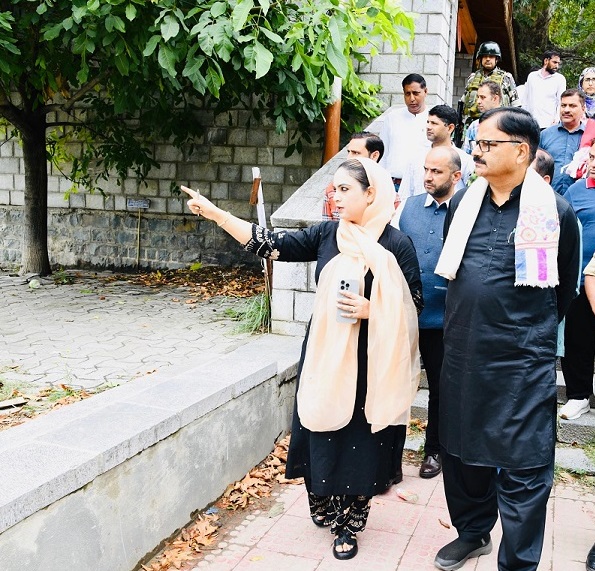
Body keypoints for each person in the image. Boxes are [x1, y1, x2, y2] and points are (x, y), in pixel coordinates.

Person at [181, 157, 423, 561]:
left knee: (361, 441)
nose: (336, 197)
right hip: (325, 354)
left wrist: (373, 309)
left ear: (371, 194)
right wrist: (216, 213)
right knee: (320, 427)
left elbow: (414, 305)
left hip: (370, 360)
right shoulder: (329, 234)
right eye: (334, 189)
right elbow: (268, 243)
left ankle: (349, 523)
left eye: (345, 189)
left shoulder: (396, 245)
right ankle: (323, 498)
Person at [433, 107, 580, 571]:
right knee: (461, 454)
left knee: (525, 466)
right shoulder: (463, 203)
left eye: (487, 144)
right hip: (463, 353)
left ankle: (517, 563)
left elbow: (563, 291)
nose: (476, 151)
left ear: (521, 151)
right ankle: (472, 532)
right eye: (476, 142)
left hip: (521, 362)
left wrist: (522, 332)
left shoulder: (554, 212)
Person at [392, 146, 462, 480]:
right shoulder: (407, 208)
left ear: (456, 176)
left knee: (440, 389)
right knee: (392, 385)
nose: (428, 177)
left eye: (437, 171)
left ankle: (434, 450)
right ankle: (388, 458)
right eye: (426, 170)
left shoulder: (467, 211)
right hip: (402, 315)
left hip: (444, 319)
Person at [558, 139, 595, 420]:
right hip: (581, 280)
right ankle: (578, 395)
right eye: (591, 157)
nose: (593, 164)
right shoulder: (576, 191)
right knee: (577, 340)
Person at [400, 105, 474, 200]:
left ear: (450, 128)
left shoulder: (465, 160)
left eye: (434, 123)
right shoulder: (416, 157)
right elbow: (404, 195)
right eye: (428, 122)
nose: (428, 127)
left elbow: (471, 195)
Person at [380, 74, 431, 193]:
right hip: (394, 185)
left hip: (423, 186)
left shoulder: (433, 119)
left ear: (425, 92)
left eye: (416, 93)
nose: (412, 99)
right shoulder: (392, 118)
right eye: (407, 94)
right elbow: (383, 153)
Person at [322, 132, 385, 221]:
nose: (349, 158)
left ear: (374, 156)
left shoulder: (388, 194)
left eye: (356, 153)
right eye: (349, 152)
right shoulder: (332, 189)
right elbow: (326, 227)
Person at [460, 41, 520, 130]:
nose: (488, 59)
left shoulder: (506, 78)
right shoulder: (472, 78)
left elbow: (516, 105)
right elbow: (463, 103)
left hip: (498, 124)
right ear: (480, 59)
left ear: (497, 59)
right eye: (485, 56)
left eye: (491, 56)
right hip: (473, 125)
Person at [540, 88, 586, 194]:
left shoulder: (590, 137)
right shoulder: (545, 135)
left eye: (572, 106)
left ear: (583, 109)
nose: (566, 110)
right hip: (549, 196)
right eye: (563, 105)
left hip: (580, 197)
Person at [522, 50, 566, 129]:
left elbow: (561, 102)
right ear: (546, 61)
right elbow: (526, 99)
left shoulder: (560, 79)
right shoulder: (532, 76)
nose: (557, 66)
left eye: (558, 63)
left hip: (549, 124)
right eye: (554, 62)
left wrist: (557, 119)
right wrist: (524, 118)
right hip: (531, 124)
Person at [462, 81, 502, 154]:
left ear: (495, 98)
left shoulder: (510, 125)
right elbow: (467, 156)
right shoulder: (474, 126)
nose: (478, 101)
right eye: (478, 97)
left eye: (483, 97)